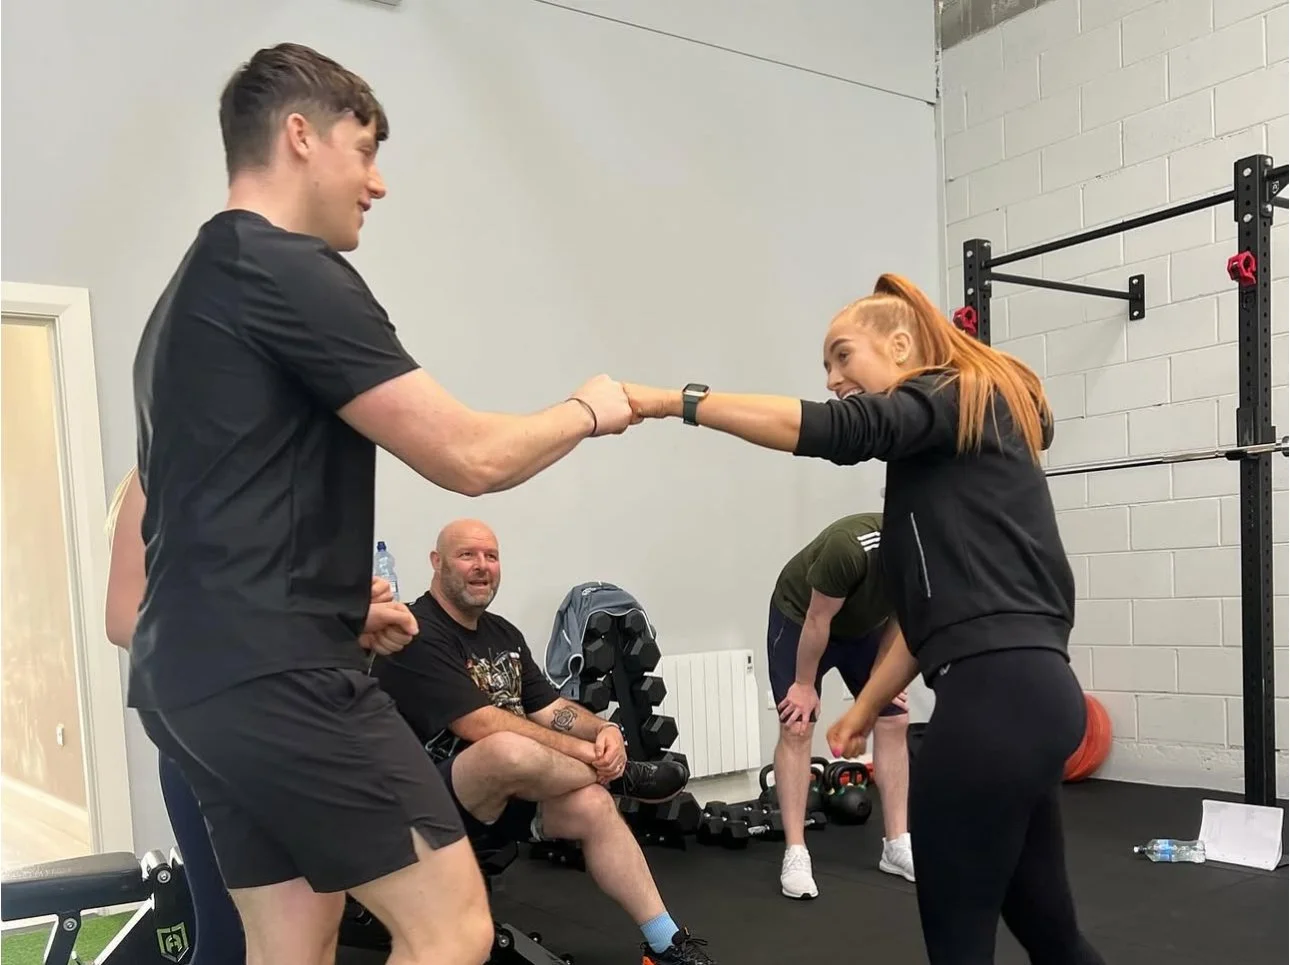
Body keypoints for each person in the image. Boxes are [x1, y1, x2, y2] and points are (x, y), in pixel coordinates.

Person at [129, 43, 635, 965]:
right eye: (364, 150)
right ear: (300, 136)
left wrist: (337, 605)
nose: (378, 182)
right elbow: (469, 456)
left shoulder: (184, 302)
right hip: (280, 676)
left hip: (190, 683)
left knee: (293, 938)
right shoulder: (286, 268)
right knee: (451, 928)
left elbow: (195, 532)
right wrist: (588, 410)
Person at [621, 274, 1105, 965]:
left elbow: (836, 429)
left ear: (901, 345)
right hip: (1033, 697)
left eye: (843, 355)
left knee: (959, 945)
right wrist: (863, 709)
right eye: (826, 364)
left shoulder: (955, 394)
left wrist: (675, 402)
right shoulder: (943, 461)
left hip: (996, 699)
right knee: (1050, 933)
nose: (832, 377)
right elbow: (923, 625)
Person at [373, 520, 716, 965]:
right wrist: (595, 759)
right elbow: (478, 725)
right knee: (503, 748)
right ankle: (620, 778)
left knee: (594, 804)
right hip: (423, 802)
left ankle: (665, 943)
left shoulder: (504, 634)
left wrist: (604, 731)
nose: (482, 566)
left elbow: (552, 709)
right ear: (437, 563)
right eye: (467, 555)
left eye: (491, 556)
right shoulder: (416, 631)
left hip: (501, 795)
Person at [768, 512, 914, 899]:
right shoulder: (849, 548)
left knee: (894, 718)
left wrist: (882, 677)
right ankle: (795, 851)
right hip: (801, 618)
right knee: (797, 724)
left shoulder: (930, 554)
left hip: (864, 629)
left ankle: (897, 844)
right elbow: (818, 619)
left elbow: (903, 619)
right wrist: (803, 685)